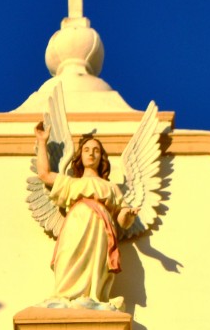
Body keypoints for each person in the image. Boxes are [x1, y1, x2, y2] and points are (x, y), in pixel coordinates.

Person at [34, 122, 138, 307]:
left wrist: (128, 214)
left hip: (100, 228)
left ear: (102, 157)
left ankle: (95, 296)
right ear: (80, 156)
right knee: (69, 256)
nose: (91, 153)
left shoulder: (110, 187)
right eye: (87, 150)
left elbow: (123, 220)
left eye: (96, 150)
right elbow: (44, 174)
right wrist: (42, 141)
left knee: (96, 262)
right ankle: (63, 295)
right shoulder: (71, 183)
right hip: (75, 224)